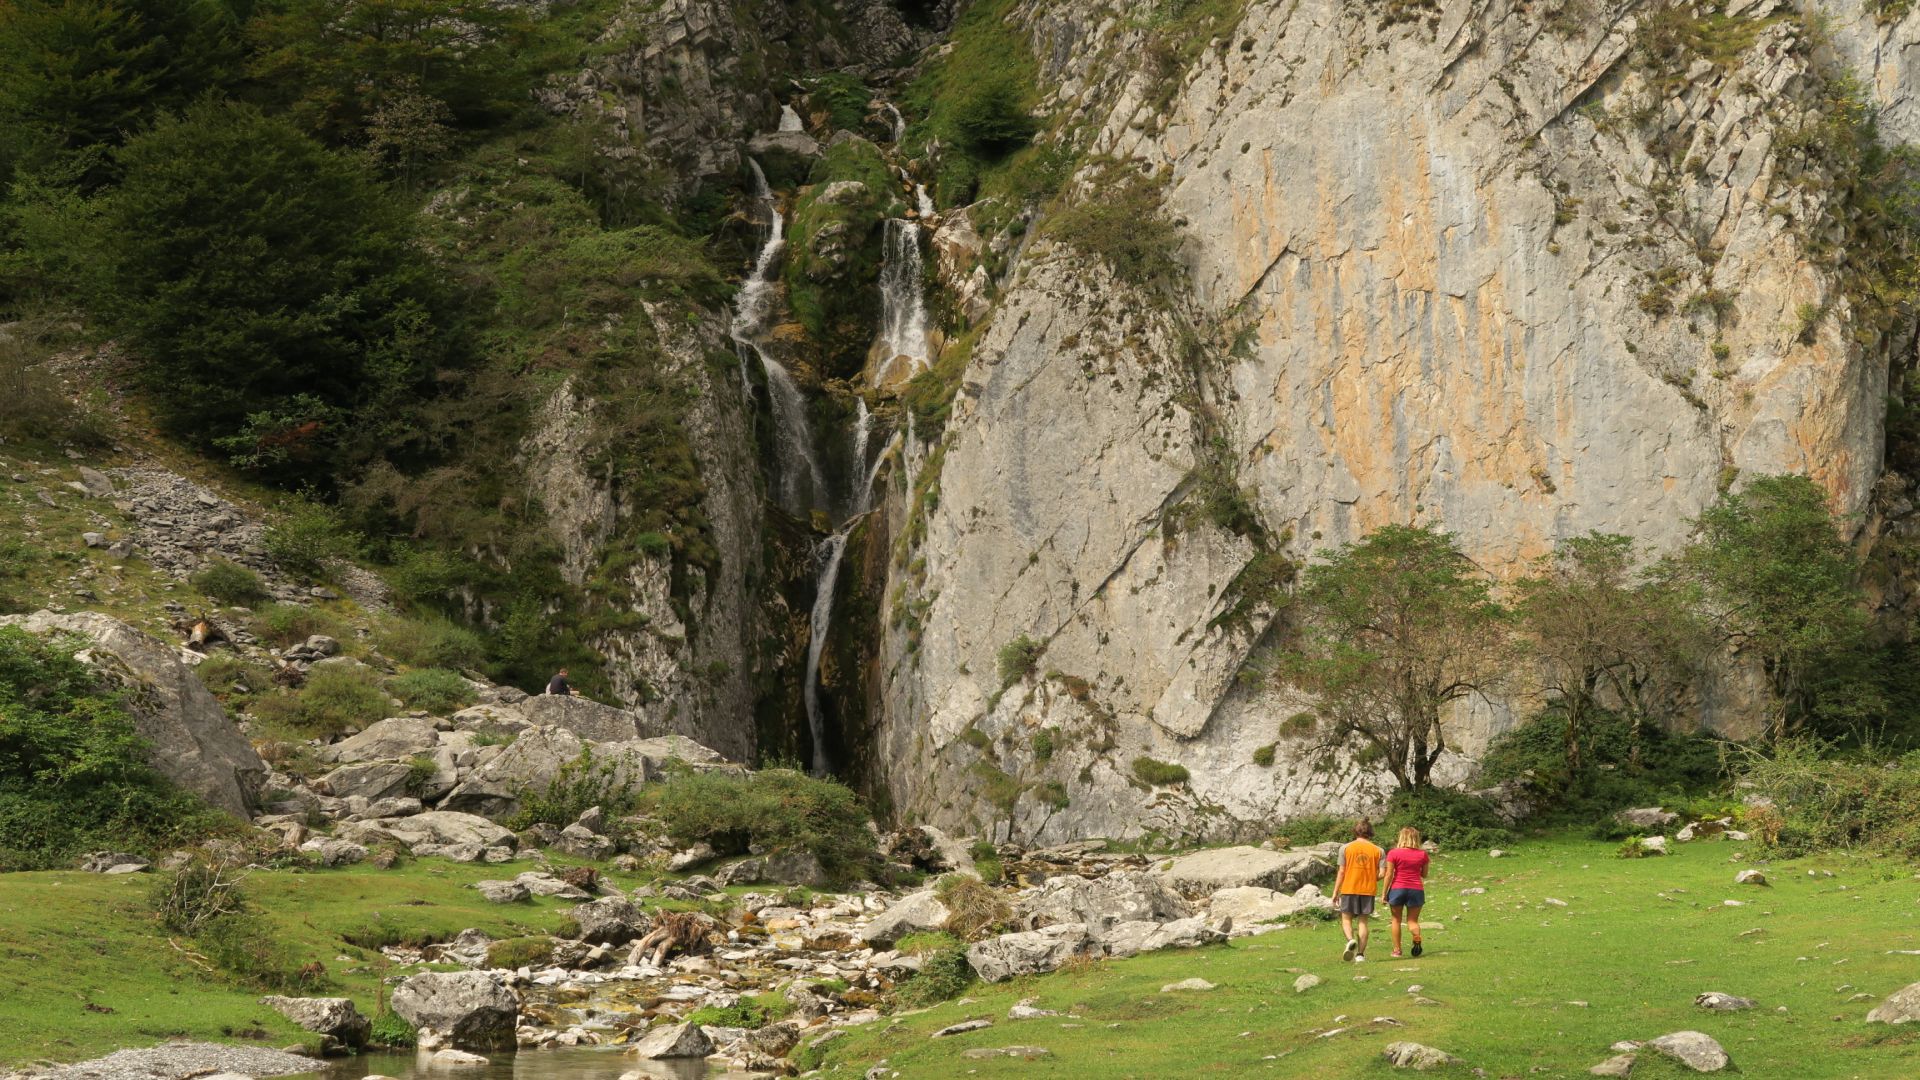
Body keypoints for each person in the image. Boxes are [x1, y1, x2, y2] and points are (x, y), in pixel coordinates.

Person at [1334, 817, 1385, 962]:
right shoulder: (1379, 850)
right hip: (1368, 890)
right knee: (1363, 922)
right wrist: (1371, 878)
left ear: (1355, 831)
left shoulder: (1345, 848)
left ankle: (1350, 940)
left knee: (1346, 919)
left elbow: (1342, 872)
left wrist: (1335, 892)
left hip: (1349, 888)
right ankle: (1360, 955)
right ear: (1370, 832)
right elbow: (1382, 873)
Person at [1383, 826, 1430, 959]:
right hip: (1416, 890)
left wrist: (1384, 893)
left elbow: (1389, 874)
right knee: (1412, 921)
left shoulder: (1393, 853)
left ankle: (1397, 950)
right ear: (1416, 838)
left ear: (1401, 838)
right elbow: (1424, 874)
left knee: (1396, 920)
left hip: (1397, 889)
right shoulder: (1423, 854)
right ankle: (1416, 936)